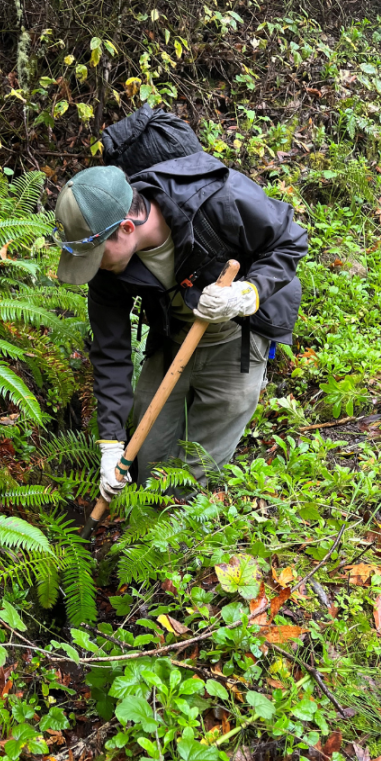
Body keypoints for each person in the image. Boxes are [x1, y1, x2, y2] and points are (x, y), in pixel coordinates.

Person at [54, 154, 307, 503]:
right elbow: (110, 351)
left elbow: (289, 240)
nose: (96, 268)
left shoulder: (219, 199)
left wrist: (248, 292)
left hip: (236, 333)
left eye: (96, 257)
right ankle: (145, 516)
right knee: (150, 458)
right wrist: (111, 443)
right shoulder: (108, 272)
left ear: (126, 228)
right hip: (173, 337)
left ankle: (177, 531)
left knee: (199, 463)